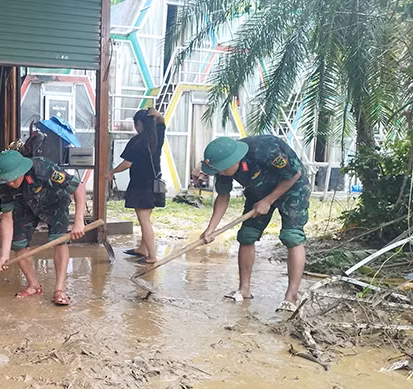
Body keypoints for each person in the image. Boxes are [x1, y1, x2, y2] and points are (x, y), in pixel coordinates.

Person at [194, 135, 310, 312]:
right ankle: (244, 289)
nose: (221, 174)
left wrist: (269, 200)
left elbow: (294, 174)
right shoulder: (222, 166)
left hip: (292, 187)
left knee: (292, 236)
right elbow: (223, 196)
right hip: (258, 190)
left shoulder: (265, 150)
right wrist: (211, 228)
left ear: (235, 160)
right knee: (247, 235)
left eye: (222, 170)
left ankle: (291, 297)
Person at [0, 150, 86, 306]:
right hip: (26, 207)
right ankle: (33, 285)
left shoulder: (43, 168)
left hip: (55, 203)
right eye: (5, 180)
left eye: (12, 179)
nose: (9, 184)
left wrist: (79, 221)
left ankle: (59, 290)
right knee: (18, 244)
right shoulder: (4, 184)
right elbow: (7, 217)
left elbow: (78, 187)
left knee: (59, 241)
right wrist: (4, 254)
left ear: (20, 171)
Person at [110, 108, 166, 264]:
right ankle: (142, 249)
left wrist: (111, 172)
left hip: (141, 186)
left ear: (139, 124)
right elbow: (162, 123)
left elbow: (127, 163)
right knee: (145, 218)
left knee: (144, 220)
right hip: (153, 185)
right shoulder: (157, 137)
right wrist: (158, 115)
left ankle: (152, 256)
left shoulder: (137, 141)